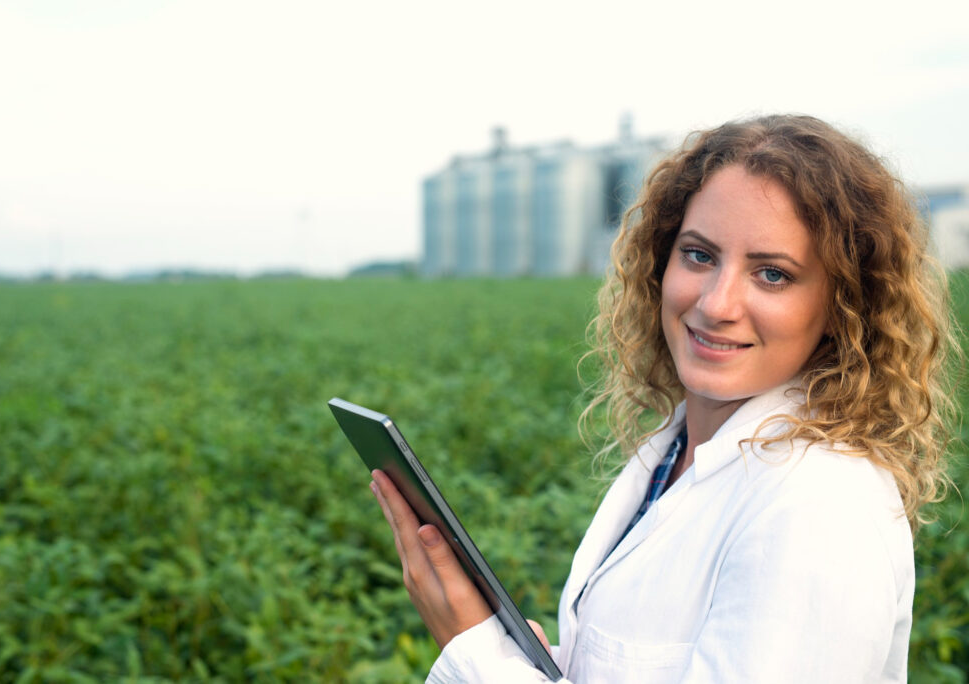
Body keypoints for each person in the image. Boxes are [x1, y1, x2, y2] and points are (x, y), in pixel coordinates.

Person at [369, 114, 957, 682]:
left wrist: (475, 658)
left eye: (772, 274)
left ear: (842, 305)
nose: (716, 304)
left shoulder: (818, 506)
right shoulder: (673, 454)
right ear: (660, 263)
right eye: (699, 255)